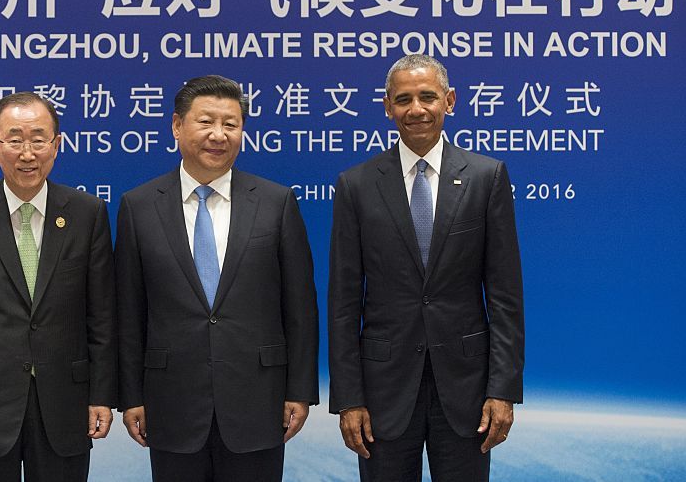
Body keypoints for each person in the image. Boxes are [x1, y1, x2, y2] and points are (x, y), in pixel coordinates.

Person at [328, 54, 525, 482]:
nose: (416, 109)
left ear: (449, 101)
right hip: (382, 392)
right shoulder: (356, 185)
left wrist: (502, 390)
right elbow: (343, 302)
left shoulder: (486, 177)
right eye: (403, 99)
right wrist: (349, 399)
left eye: (427, 97)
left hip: (468, 390)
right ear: (387, 106)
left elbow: (505, 296)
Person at [115, 75, 319, 482]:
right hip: (171, 403)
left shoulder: (276, 203)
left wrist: (299, 390)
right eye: (206, 122)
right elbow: (128, 310)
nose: (219, 135)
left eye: (231, 124)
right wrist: (130, 396)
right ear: (177, 126)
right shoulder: (138, 206)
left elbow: (299, 307)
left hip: (258, 400)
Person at [0, 92, 116, 482]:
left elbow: (102, 315)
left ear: (56, 146)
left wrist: (102, 396)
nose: (27, 153)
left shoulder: (87, 213)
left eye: (38, 139)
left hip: (65, 402)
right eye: (15, 140)